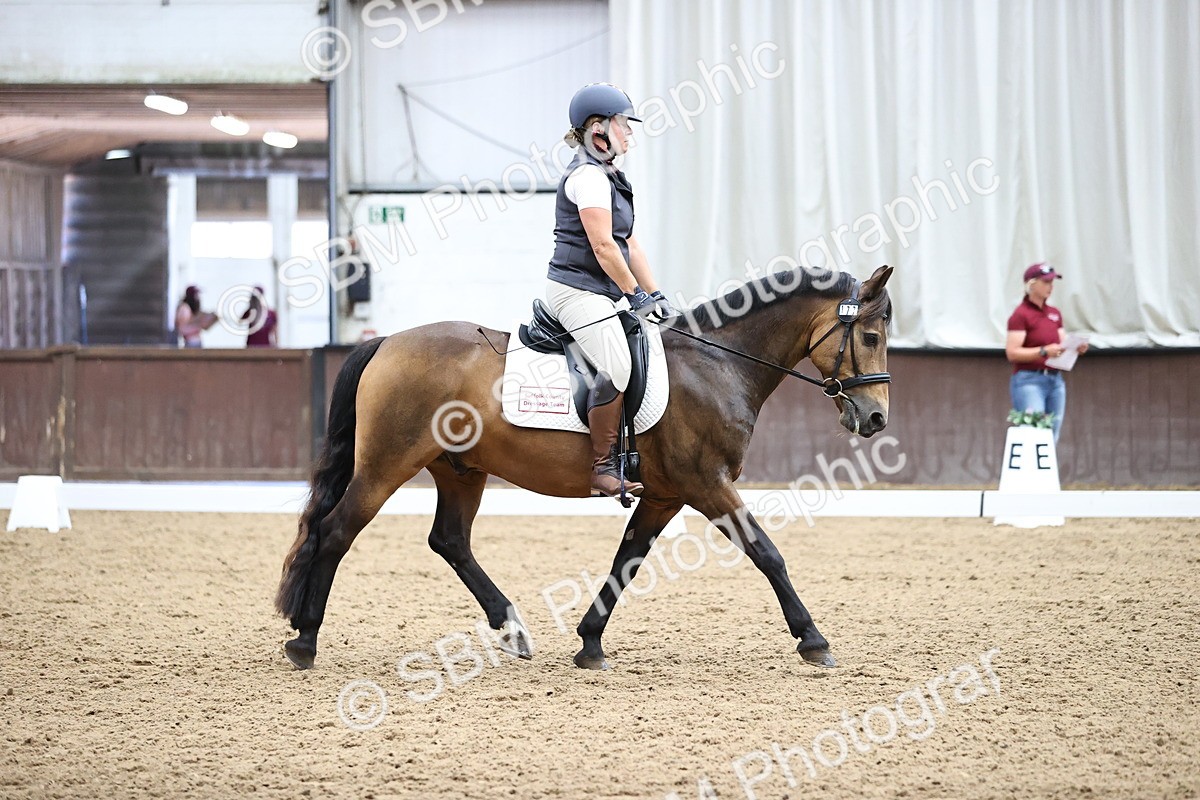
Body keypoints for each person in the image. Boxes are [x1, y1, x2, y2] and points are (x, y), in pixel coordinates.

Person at [546, 83, 677, 499]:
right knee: (617, 365)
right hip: (574, 290)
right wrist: (633, 294)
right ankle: (602, 467)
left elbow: (628, 244)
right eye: (624, 124)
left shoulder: (611, 176)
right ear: (598, 129)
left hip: (602, 291)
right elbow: (603, 246)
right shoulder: (587, 177)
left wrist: (655, 295)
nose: (631, 132)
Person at [1005, 263, 1088, 442]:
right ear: (1031, 284)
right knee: (1034, 432)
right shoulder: (1021, 315)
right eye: (1045, 282)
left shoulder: (1054, 313)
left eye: (1051, 282)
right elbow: (1012, 352)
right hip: (1029, 380)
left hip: (1054, 379)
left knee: (1052, 434)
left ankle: (1046, 470)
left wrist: (1076, 347)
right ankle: (1030, 470)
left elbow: (1062, 342)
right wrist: (1043, 351)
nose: (1050, 287)